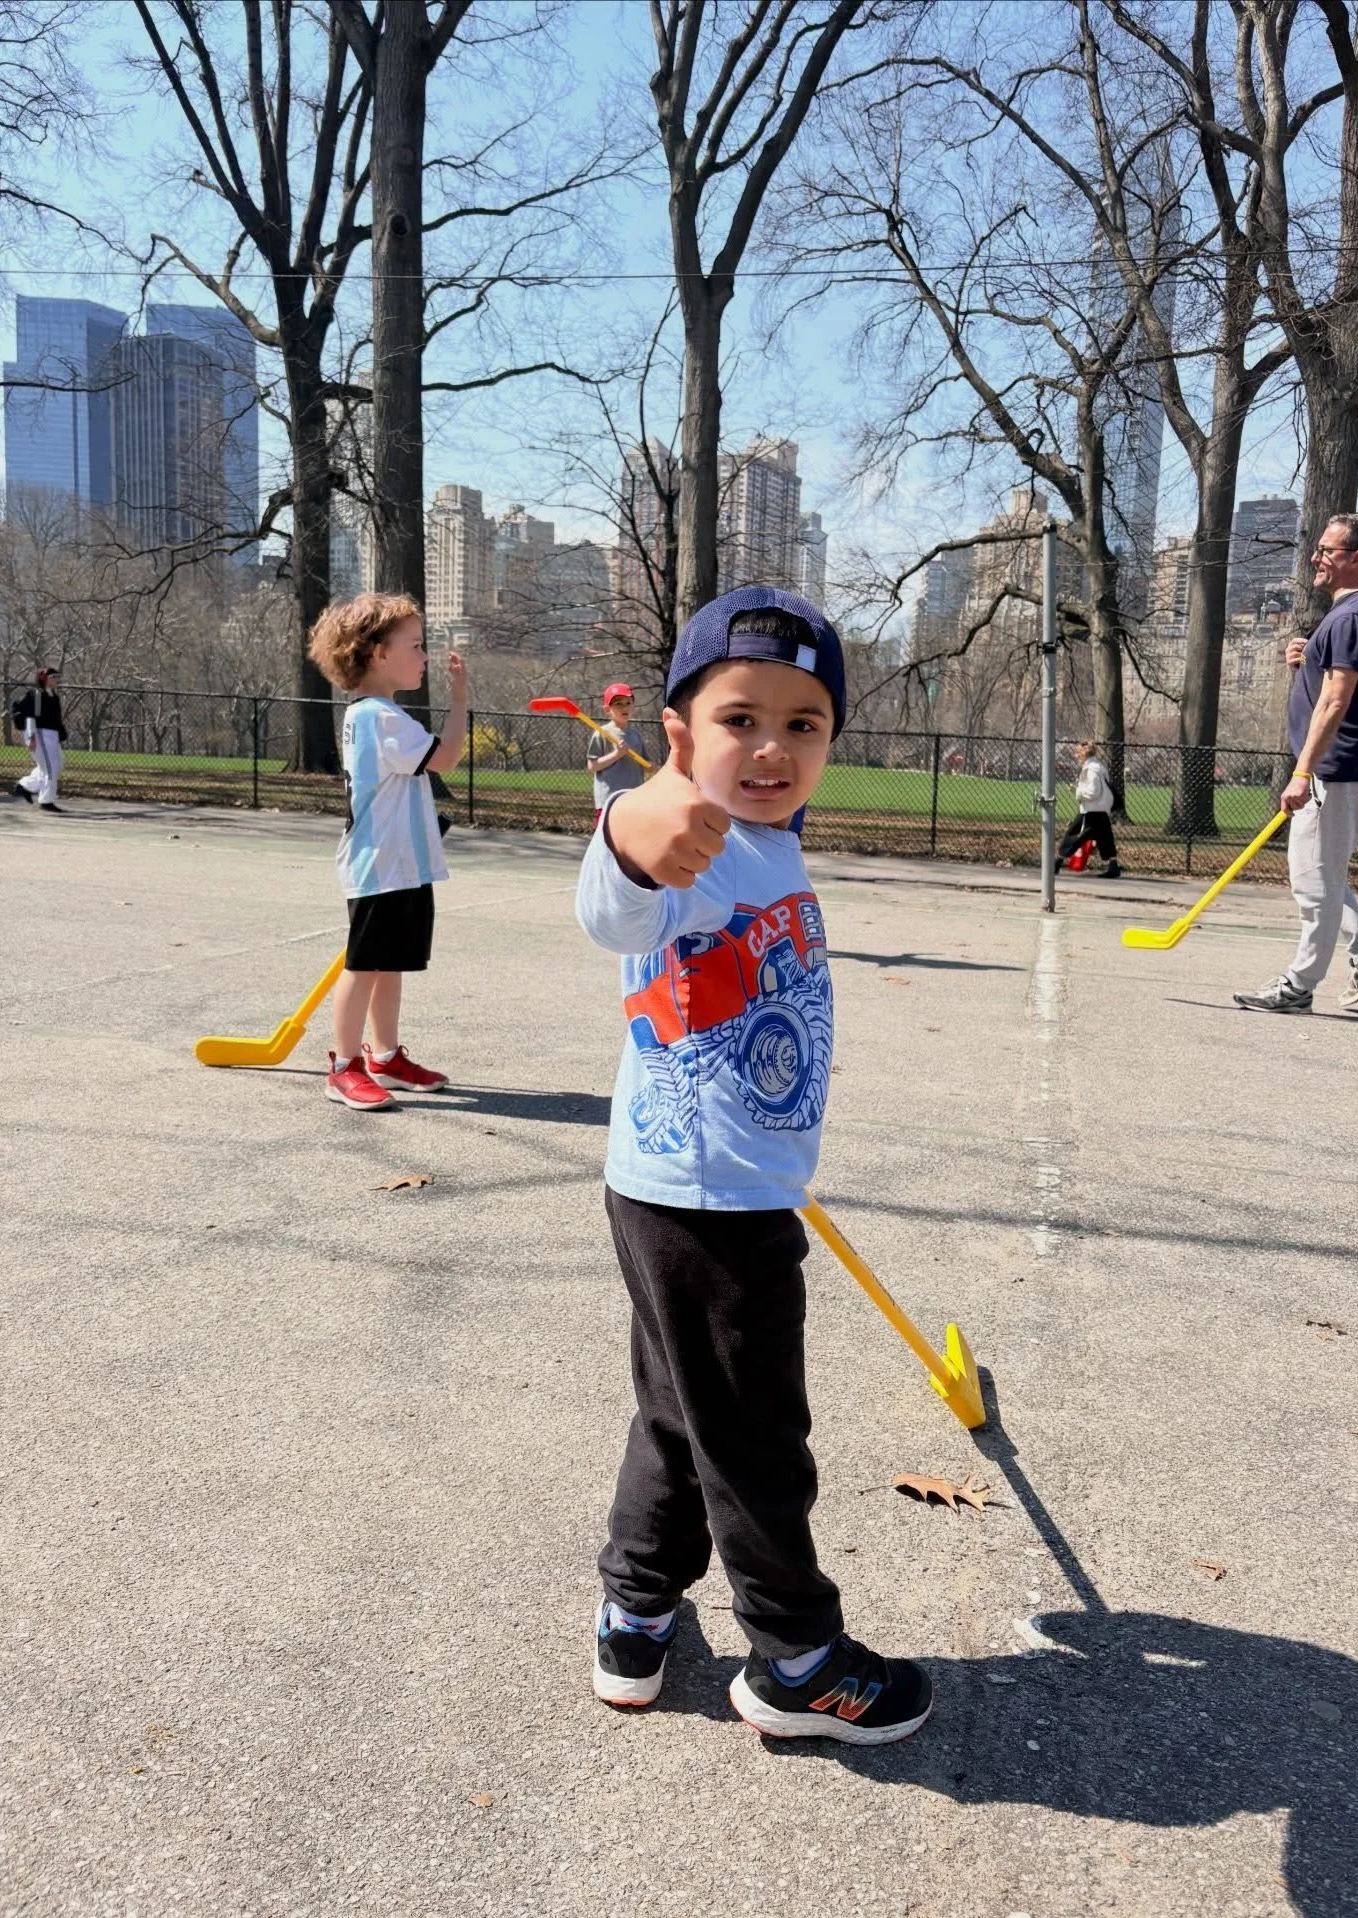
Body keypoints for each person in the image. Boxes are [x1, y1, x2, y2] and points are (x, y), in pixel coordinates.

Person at [575, 585, 932, 1746]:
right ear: (681, 733)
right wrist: (630, 832)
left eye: (802, 723)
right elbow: (617, 906)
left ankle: (635, 1614)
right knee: (756, 1437)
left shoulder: (769, 841)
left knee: (682, 1414)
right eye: (740, 720)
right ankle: (797, 1658)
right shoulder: (693, 839)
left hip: (696, 1182)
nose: (772, 747)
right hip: (708, 1205)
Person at [306, 592, 469, 1109]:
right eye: (415, 646)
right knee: (365, 965)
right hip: (381, 864)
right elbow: (446, 758)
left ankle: (385, 1055)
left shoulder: (371, 714)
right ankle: (344, 1066)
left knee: (389, 962)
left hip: (398, 864)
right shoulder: (381, 717)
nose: (424, 656)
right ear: (379, 653)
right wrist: (460, 699)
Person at [1234, 514, 1358, 1014]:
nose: (1315, 558)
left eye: (1327, 551)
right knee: (1321, 874)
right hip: (1342, 767)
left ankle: (1299, 986)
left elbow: (1336, 700)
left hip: (1335, 768)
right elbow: (1330, 683)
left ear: (1357, 559)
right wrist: (1306, 659)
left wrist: (1304, 771)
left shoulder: (1351, 617)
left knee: (1312, 882)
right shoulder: (1353, 614)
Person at [587, 681, 649, 824]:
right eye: (618, 704)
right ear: (607, 709)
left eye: (628, 703)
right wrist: (617, 754)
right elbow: (592, 766)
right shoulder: (602, 733)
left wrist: (653, 768)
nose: (624, 707)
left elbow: (646, 764)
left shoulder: (635, 735)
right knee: (609, 838)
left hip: (633, 799)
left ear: (633, 706)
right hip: (609, 801)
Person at [1056, 741, 1121, 877]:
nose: (1075, 756)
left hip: (1092, 809)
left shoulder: (1090, 769)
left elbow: (1093, 792)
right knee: (1105, 837)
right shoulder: (1099, 767)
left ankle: (1057, 862)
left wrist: (1078, 792)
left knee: (1074, 834)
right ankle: (1113, 865)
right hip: (1102, 808)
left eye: (1077, 753)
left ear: (1083, 754)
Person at [12, 667, 68, 812]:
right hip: (40, 733)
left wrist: (60, 734)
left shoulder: (53, 696)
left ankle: (24, 786)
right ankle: (46, 801)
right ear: (44, 678)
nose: (56, 680)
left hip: (52, 735)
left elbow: (56, 718)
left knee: (58, 764)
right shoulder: (37, 694)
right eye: (53, 677)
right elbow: (31, 717)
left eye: (57, 677)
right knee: (50, 767)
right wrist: (32, 737)